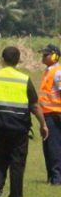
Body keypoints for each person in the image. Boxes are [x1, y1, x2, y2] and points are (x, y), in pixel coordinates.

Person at [0, 46, 48, 197]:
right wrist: (43, 124)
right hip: (19, 126)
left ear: (2, 59)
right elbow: (35, 106)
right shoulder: (24, 79)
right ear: (18, 61)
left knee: (2, 155)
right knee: (17, 161)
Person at [38, 44, 61, 185]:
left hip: (55, 114)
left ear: (54, 56)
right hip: (47, 114)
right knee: (48, 147)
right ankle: (52, 176)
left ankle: (57, 178)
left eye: (46, 54)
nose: (43, 57)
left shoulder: (58, 72)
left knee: (54, 147)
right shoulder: (48, 71)